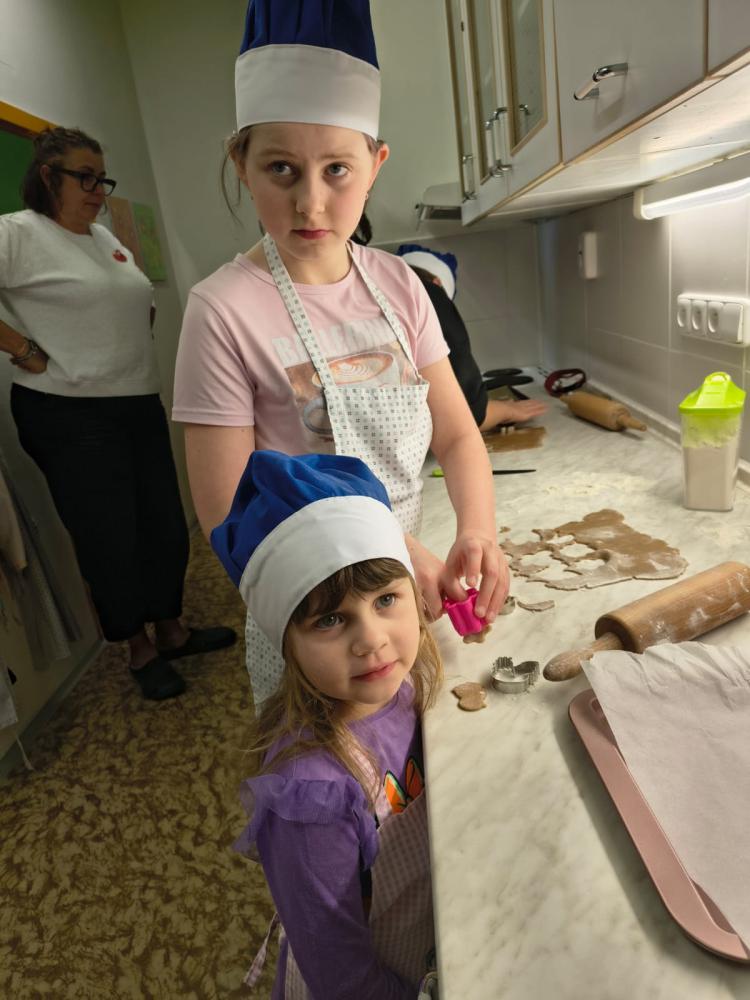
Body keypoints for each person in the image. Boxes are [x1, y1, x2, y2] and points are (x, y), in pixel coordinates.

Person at [173, 0, 508, 707]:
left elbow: (456, 434)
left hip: (406, 602)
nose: (311, 203)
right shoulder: (221, 310)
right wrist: (391, 564)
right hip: (313, 622)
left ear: (375, 165)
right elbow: (229, 517)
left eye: (337, 170)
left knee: (416, 763)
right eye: (281, 169)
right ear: (241, 165)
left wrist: (478, 533)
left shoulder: (401, 286)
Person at [0, 126, 235, 700]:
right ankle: (138, 648)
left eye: (101, 179)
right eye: (85, 177)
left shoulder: (103, 238)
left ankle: (172, 629)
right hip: (68, 412)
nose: (97, 190)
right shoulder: (17, 233)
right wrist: (23, 349)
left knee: (163, 524)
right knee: (109, 536)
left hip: (134, 401)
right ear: (48, 176)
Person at [211, 449, 442, 998]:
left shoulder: (403, 689)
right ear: (285, 641)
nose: (371, 640)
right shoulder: (310, 792)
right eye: (331, 619)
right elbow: (338, 971)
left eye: (386, 599)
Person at [395, 244, 547, 432]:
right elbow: (468, 414)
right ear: (438, 283)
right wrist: (505, 410)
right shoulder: (430, 294)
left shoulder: (383, 288)